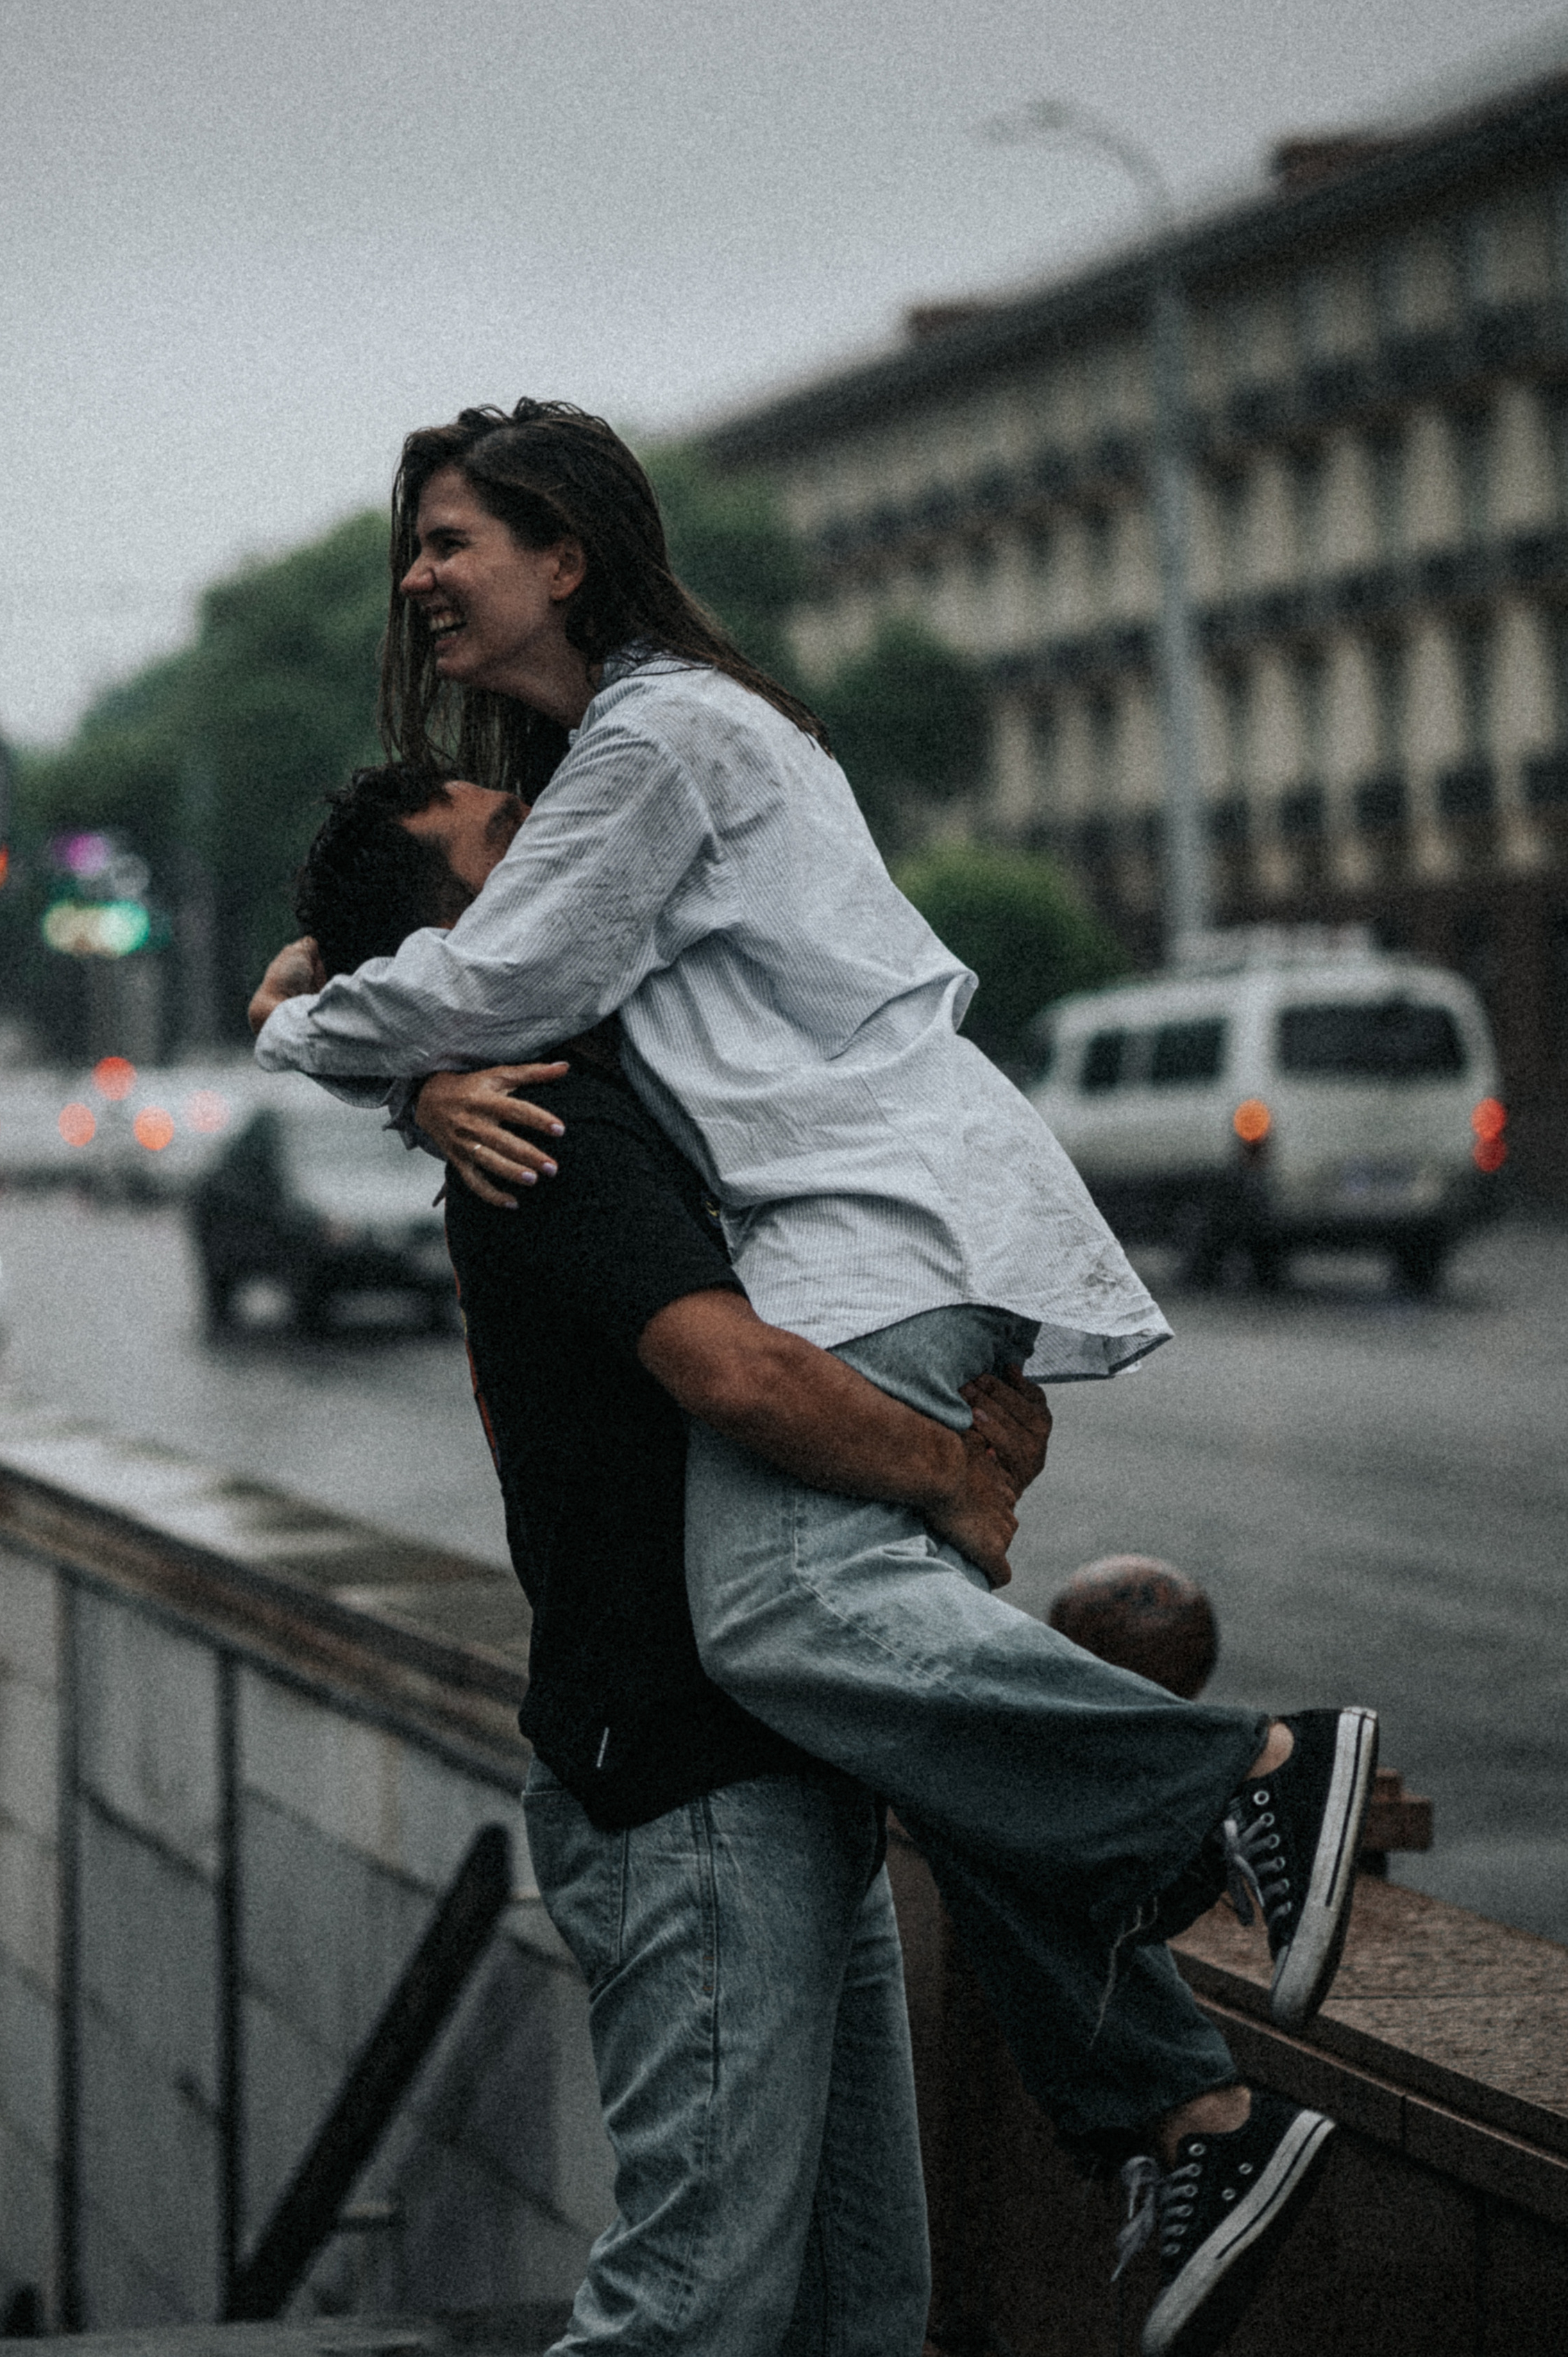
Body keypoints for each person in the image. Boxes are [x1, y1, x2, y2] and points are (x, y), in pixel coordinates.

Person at [255, 403, 1378, 2351]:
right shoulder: (559, 1078)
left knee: (792, 1615)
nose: (419, 579)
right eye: (410, 546)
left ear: (569, 554)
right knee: (903, 1712)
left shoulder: (656, 752)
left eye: (451, 539)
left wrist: (358, 1046)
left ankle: (1235, 1788)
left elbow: (461, 980)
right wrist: (947, 1472)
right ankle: (1173, 2090)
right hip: (762, 1520)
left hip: (875, 1229)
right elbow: (389, 967)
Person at [294, 766, 1056, 2357]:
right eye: (518, 843)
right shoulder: (546, 1119)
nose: (576, 852)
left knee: (860, 2314)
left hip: (768, 1773)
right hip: (689, 1792)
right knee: (687, 2314)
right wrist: (951, 1477)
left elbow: (303, 980)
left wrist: (396, 1069)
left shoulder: (578, 1064)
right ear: (460, 939)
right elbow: (738, 1375)